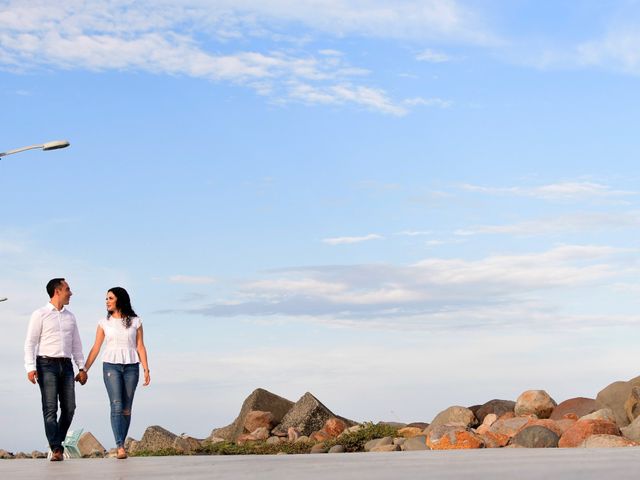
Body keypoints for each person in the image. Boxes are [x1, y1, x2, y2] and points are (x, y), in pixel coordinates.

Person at [24, 278, 87, 462]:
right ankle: (57, 448)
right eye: (68, 289)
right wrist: (30, 367)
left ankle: (56, 440)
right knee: (50, 408)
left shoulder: (70, 316)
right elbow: (30, 343)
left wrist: (81, 367)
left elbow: (76, 345)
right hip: (45, 365)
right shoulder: (40, 314)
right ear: (57, 291)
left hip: (66, 365)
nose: (71, 293)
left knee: (69, 408)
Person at [83, 286, 150, 459]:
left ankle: (122, 443)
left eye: (110, 298)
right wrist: (84, 369)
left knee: (127, 409)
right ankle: (120, 446)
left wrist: (146, 369)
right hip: (111, 365)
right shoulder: (103, 323)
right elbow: (96, 347)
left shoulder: (136, 321)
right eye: (106, 299)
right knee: (117, 405)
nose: (107, 302)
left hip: (131, 366)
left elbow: (140, 346)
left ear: (119, 299)